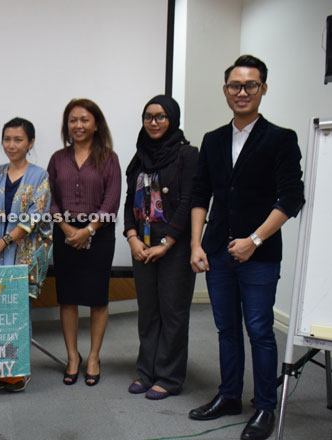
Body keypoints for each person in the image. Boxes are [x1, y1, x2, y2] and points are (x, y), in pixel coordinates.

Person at [188, 55, 305, 440]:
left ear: (263, 89)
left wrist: (254, 241)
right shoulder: (213, 139)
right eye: (235, 86)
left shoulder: (281, 138)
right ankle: (229, 396)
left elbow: (291, 199)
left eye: (250, 85)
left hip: (260, 253)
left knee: (259, 329)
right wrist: (196, 244)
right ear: (225, 91)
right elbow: (200, 194)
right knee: (225, 328)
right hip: (218, 249)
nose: (242, 92)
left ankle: (265, 407)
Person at [124, 95, 198, 400]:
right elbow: (130, 201)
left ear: (173, 120)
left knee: (173, 312)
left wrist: (167, 242)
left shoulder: (187, 154)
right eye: (148, 117)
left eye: (161, 117)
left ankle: (169, 377)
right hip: (142, 244)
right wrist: (131, 237)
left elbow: (189, 202)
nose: (153, 123)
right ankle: (146, 371)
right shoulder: (139, 157)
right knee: (148, 313)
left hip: (175, 246)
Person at [47, 98, 121, 386]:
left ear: (96, 124)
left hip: (99, 235)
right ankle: (72, 357)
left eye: (84, 120)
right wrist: (67, 228)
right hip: (64, 234)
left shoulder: (109, 158)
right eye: (73, 120)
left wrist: (87, 230)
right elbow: (50, 199)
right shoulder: (57, 158)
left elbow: (111, 201)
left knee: (98, 298)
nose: (78, 125)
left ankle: (92, 356)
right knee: (68, 298)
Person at [0, 117, 53, 392]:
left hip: (25, 254)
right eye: (7, 139)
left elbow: (34, 218)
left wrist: (4, 242)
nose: (11, 145)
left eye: (18, 139)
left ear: (30, 143)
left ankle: (17, 372)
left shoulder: (40, 176)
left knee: (17, 312)